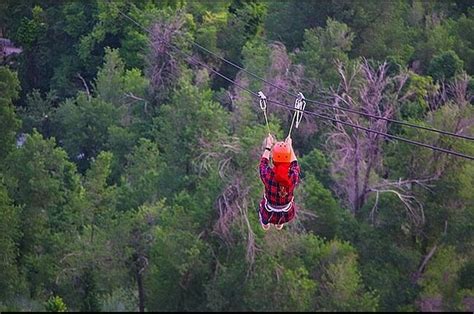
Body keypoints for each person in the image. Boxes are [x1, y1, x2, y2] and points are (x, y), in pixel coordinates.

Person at [258, 133, 300, 230]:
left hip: (268, 212)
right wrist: (289, 147)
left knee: (263, 210)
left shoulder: (268, 175)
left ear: (274, 160)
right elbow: (295, 164)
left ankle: (265, 224)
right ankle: (279, 222)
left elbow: (263, 164)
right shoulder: (293, 176)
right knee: (281, 210)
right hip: (287, 213)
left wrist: (268, 146)